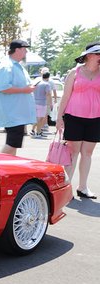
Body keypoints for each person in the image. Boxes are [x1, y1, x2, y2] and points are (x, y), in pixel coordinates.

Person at [55, 42, 100, 199]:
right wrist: (59, 118)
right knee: (73, 153)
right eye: (98, 53)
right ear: (88, 56)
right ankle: (67, 189)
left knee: (87, 153)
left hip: (95, 119)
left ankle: (83, 187)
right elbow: (65, 96)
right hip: (74, 117)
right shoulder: (74, 73)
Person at [0, 39, 36, 155]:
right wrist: (25, 90)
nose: (26, 52)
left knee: (14, 143)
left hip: (17, 113)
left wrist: (27, 88)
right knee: (12, 143)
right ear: (17, 50)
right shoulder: (7, 66)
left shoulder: (16, 66)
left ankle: (9, 169)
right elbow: (3, 88)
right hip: (12, 113)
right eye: (24, 49)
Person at [31, 72, 52, 138]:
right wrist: (50, 104)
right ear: (48, 77)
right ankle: (38, 133)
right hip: (42, 103)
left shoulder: (37, 83)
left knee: (37, 118)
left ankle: (33, 131)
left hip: (35, 102)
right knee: (40, 119)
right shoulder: (46, 84)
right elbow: (48, 94)